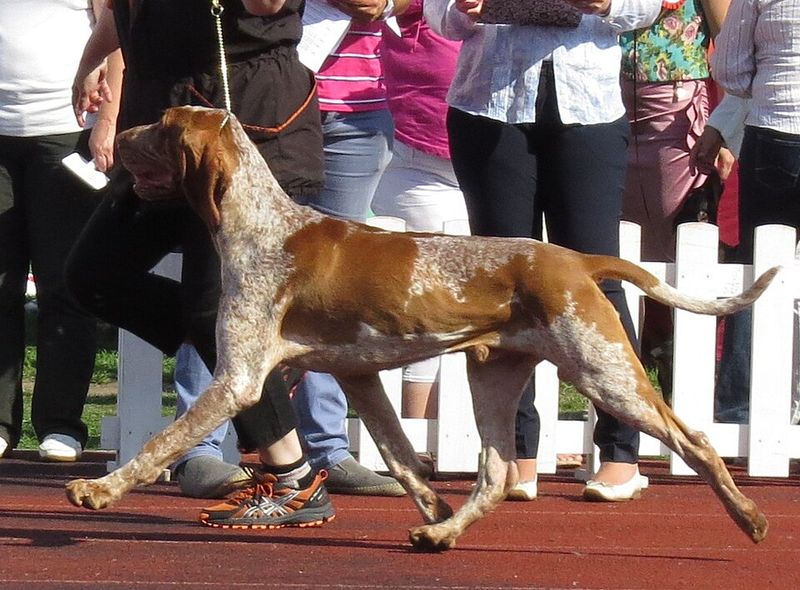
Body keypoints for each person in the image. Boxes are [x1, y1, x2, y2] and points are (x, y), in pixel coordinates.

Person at [67, 0, 334, 529]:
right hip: (165, 125)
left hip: (245, 123)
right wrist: (91, 60)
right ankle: (261, 356)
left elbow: (268, 6)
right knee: (92, 276)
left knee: (210, 309)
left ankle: (296, 479)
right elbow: (126, 13)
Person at [425, 0, 662, 501]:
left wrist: (609, 4)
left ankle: (621, 452)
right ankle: (514, 453)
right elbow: (438, 15)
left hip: (590, 109)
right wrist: (463, 8)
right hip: (486, 105)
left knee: (597, 280)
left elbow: (645, 8)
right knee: (499, 293)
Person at [0, 0, 122, 462]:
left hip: (66, 133)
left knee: (63, 284)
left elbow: (115, 38)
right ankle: (0, 422)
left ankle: (61, 424)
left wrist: (107, 121)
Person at [619, 0, 729, 397]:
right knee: (619, 251)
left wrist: (725, 127)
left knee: (681, 250)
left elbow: (728, 43)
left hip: (676, 112)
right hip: (602, 100)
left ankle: (685, 392)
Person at [370, 0, 469, 423]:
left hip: (502, 154)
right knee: (434, 302)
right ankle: (419, 434)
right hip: (420, 164)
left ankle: (510, 438)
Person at [707, 0, 800, 424]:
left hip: (777, 129)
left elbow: (729, 69)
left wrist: (765, 84)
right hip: (776, 123)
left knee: (756, 272)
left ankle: (738, 407)